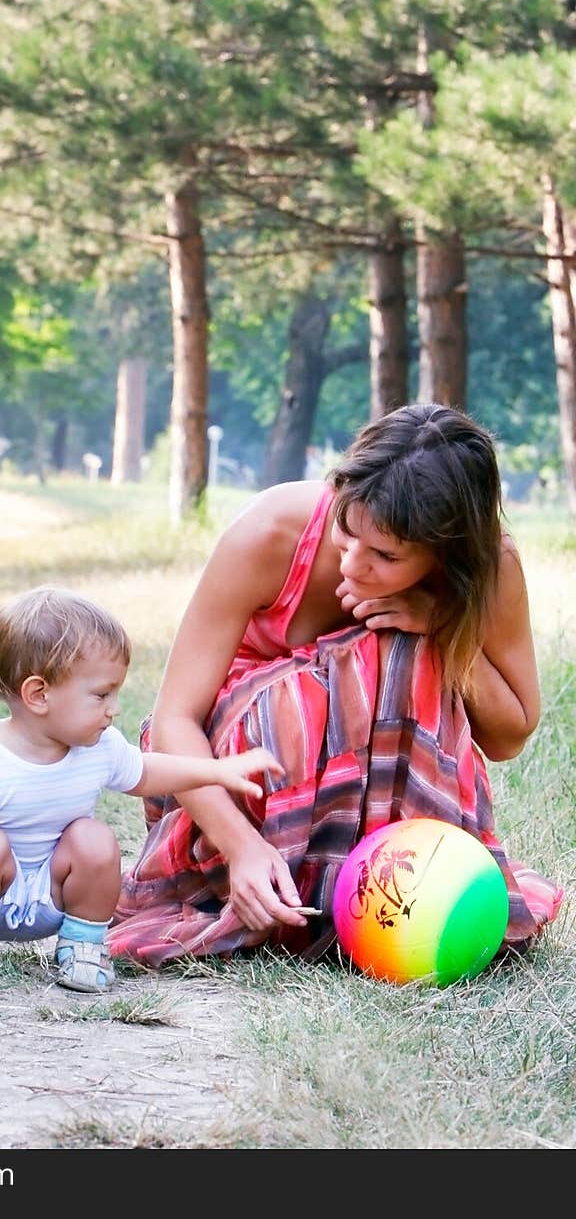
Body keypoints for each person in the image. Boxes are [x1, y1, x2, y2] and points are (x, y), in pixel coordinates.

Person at [109, 403, 564, 968]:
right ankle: (278, 885)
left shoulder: (489, 566)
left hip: (382, 799)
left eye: (386, 555)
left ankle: (392, 891)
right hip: (239, 778)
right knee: (361, 659)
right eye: (347, 532)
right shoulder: (271, 531)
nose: (352, 564)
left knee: (403, 651)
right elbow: (173, 721)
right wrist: (243, 847)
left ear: (446, 552)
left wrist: (442, 627)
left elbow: (509, 734)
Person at [0, 585, 281, 992]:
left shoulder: (98, 749)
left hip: (54, 893)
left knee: (94, 837)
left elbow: (146, 773)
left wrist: (218, 770)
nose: (114, 708)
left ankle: (82, 946)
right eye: (102, 694)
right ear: (39, 695)